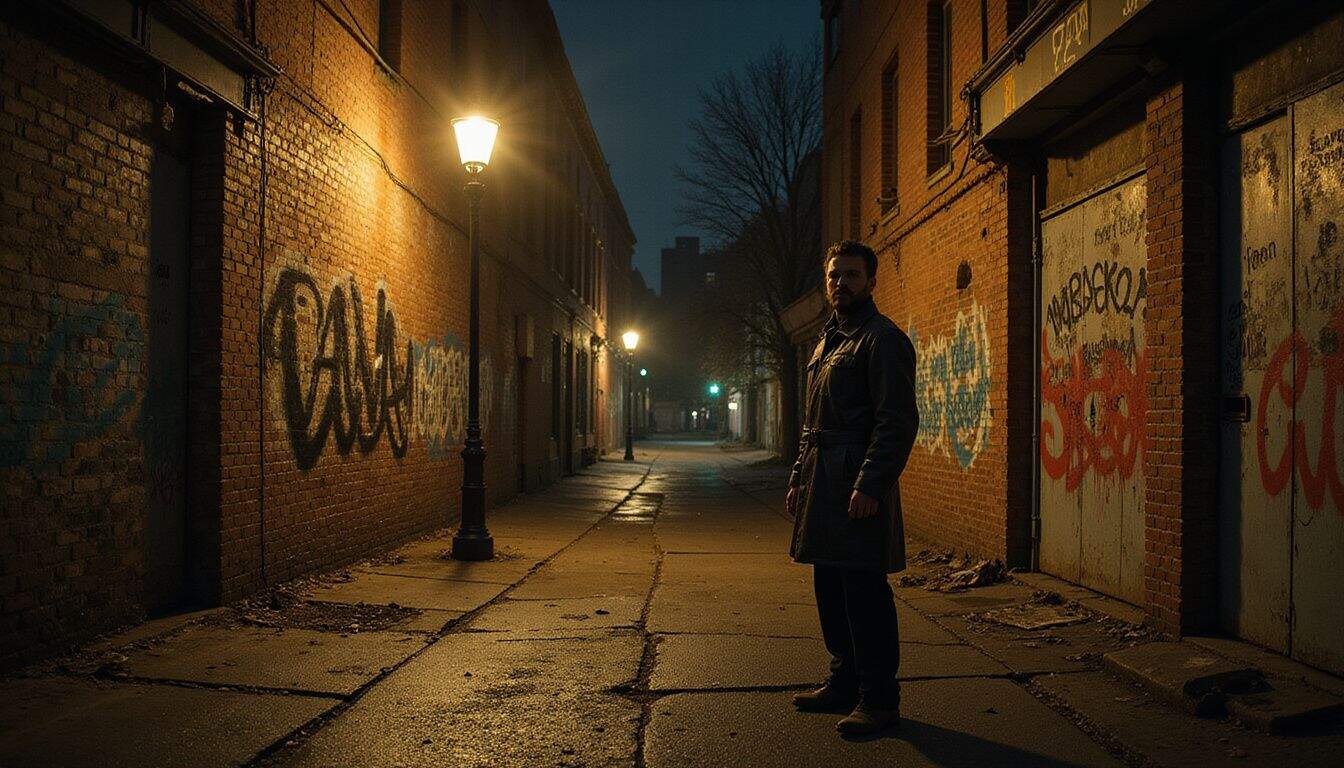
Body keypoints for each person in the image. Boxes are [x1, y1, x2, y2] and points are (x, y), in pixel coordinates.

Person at [785, 239, 919, 735]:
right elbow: (812, 422)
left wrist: (871, 485)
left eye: (852, 276)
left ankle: (879, 699)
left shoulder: (882, 340)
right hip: (823, 481)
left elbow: (897, 422)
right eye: (834, 276)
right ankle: (842, 682)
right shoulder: (826, 342)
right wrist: (799, 476)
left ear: (871, 282)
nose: (841, 284)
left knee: (864, 591)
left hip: (856, 484)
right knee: (830, 587)